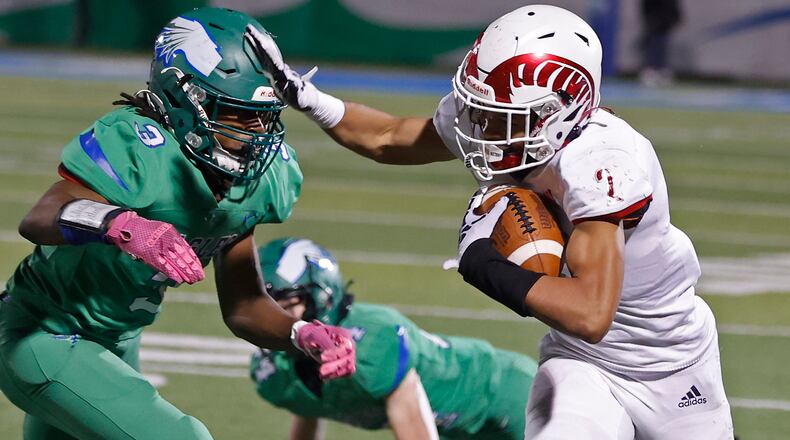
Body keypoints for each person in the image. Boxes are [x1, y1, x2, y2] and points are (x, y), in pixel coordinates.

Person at [245, 4, 733, 439]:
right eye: (480, 109)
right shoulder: (512, 126)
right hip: (584, 364)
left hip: (673, 366)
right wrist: (311, 100)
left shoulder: (603, 162)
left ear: (557, 112)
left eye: (499, 116)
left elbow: (591, 315)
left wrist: (482, 264)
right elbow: (390, 136)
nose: (481, 127)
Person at [0, 8, 355, 440]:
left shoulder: (253, 182)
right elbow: (40, 217)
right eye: (237, 113)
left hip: (118, 342)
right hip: (45, 334)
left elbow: (244, 306)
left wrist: (300, 332)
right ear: (187, 100)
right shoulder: (140, 146)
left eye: (264, 115)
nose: (257, 131)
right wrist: (119, 224)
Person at [249, 237, 537, 440]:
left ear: (321, 296)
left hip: (505, 395)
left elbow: (413, 424)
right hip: (456, 429)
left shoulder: (371, 339)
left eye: (286, 306)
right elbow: (308, 404)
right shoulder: (277, 371)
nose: (276, 318)